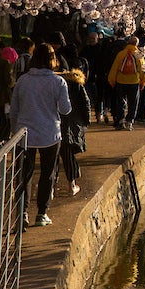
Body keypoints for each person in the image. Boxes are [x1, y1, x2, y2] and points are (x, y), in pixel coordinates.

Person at [9, 43, 71, 227]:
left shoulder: (23, 80)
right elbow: (65, 109)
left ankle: (23, 213)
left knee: (24, 175)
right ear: (53, 59)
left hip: (24, 133)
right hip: (49, 133)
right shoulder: (58, 81)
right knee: (47, 174)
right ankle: (42, 213)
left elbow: (14, 109)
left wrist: (14, 131)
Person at [57, 61, 91, 196]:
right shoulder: (77, 85)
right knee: (68, 154)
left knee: (53, 157)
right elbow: (85, 103)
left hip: (57, 122)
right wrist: (86, 121)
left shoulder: (56, 85)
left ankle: (53, 187)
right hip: (72, 122)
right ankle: (71, 185)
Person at [108, 37, 145, 131]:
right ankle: (129, 122)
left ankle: (120, 121)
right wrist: (143, 81)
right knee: (133, 103)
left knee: (120, 102)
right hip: (134, 81)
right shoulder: (138, 55)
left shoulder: (121, 54)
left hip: (121, 81)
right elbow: (143, 70)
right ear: (136, 44)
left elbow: (115, 68)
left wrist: (112, 80)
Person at [0, 47, 16, 140]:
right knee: (6, 119)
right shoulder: (7, 64)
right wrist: (14, 82)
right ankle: (3, 137)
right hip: (4, 96)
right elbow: (9, 81)